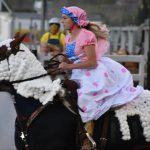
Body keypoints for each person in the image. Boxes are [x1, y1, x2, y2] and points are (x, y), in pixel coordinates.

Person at [59, 6, 144, 149]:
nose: (62, 21)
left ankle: (88, 137)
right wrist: (63, 63)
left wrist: (69, 67)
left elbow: (91, 62)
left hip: (92, 72)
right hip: (77, 72)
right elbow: (71, 58)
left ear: (74, 20)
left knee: (85, 96)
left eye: (64, 18)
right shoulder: (67, 37)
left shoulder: (86, 36)